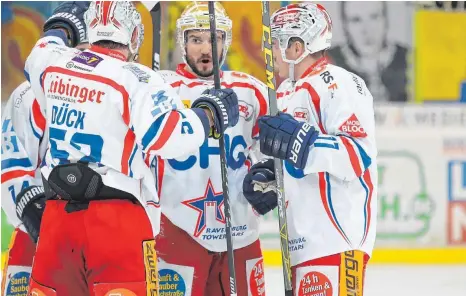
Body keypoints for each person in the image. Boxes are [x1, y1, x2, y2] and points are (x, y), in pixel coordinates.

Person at [16, 1, 239, 295]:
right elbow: (170, 137)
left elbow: (42, 49)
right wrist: (209, 114)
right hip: (116, 220)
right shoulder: (138, 78)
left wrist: (63, 22)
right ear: (134, 36)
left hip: (57, 221)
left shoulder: (54, 62)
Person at [243, 3, 378, 295]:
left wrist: (302, 144)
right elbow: (294, 159)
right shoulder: (283, 93)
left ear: (296, 47)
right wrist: (269, 177)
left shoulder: (341, 84)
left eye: (275, 44)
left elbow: (357, 154)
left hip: (336, 239)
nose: (270, 54)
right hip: (300, 242)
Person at [152, 2, 269, 295]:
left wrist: (270, 179)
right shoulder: (162, 88)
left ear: (225, 42)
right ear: (182, 43)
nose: (206, 48)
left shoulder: (250, 90)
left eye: (214, 38)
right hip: (178, 229)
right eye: (196, 40)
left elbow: (270, 152)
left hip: (239, 231)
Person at [1, 2, 91, 293]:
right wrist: (40, 222)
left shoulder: (121, 93)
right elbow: (12, 170)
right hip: (38, 237)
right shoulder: (28, 96)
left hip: (101, 237)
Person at [328, 2, 408, 102]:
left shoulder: (410, 59)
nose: (366, 30)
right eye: (356, 20)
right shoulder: (327, 62)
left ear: (386, 20)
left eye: (374, 17)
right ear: (345, 26)